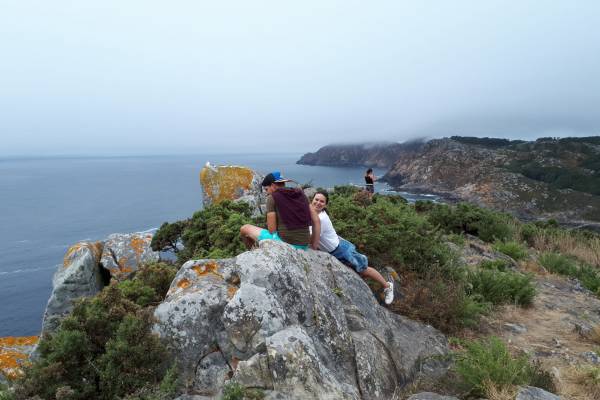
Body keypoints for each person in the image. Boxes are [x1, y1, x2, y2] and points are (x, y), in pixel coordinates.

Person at [310, 190, 394, 304]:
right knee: (356, 272)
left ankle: (387, 286)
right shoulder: (312, 212)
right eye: (316, 199)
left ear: (326, 205)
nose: (318, 203)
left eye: (322, 201)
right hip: (333, 249)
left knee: (364, 269)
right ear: (312, 200)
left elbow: (312, 237)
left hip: (340, 250)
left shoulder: (321, 218)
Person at [240, 171, 320, 250]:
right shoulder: (301, 194)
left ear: (273, 186)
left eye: (266, 189)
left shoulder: (272, 198)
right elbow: (316, 221)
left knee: (244, 228)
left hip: (286, 244)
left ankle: (254, 253)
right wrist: (314, 246)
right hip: (304, 244)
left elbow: (272, 230)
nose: (267, 192)